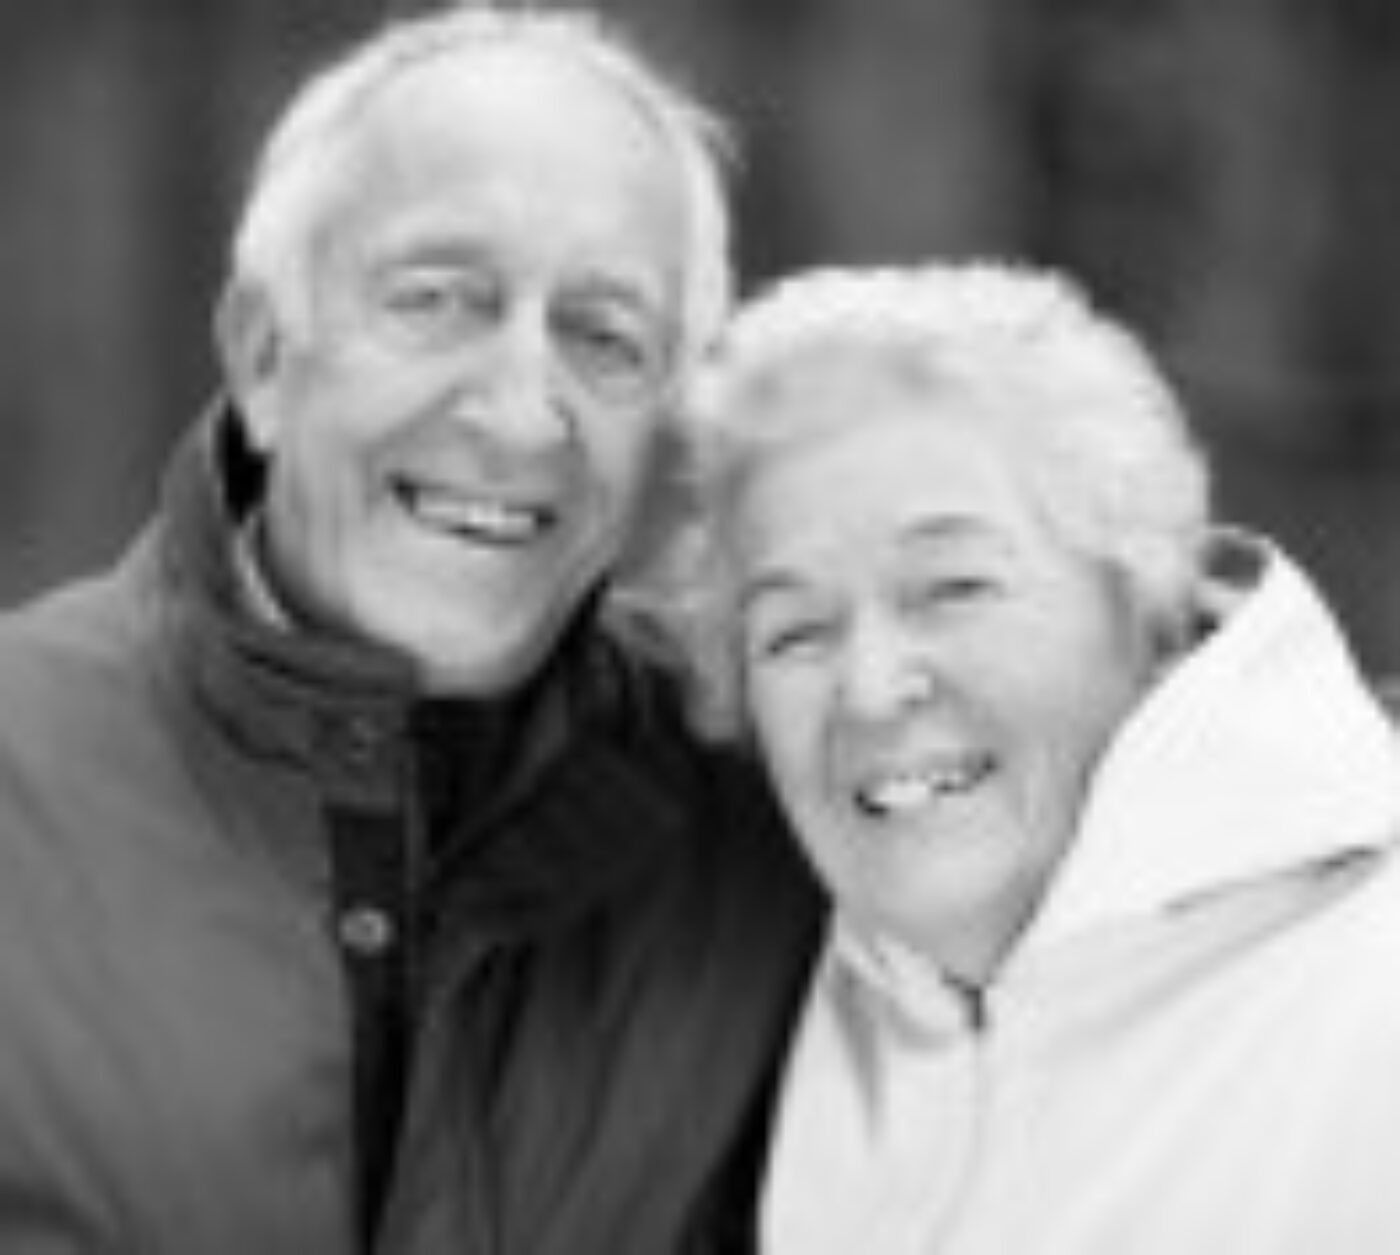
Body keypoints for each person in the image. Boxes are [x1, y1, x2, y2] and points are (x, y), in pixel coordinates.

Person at [0, 7, 820, 1254]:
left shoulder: (775, 813)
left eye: (605, 336)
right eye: (435, 300)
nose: (520, 413)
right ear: (263, 354)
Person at [635, 259, 1400, 1253]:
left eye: (953, 587)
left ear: (1148, 603)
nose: (869, 689)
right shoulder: (811, 1001)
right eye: (794, 632)